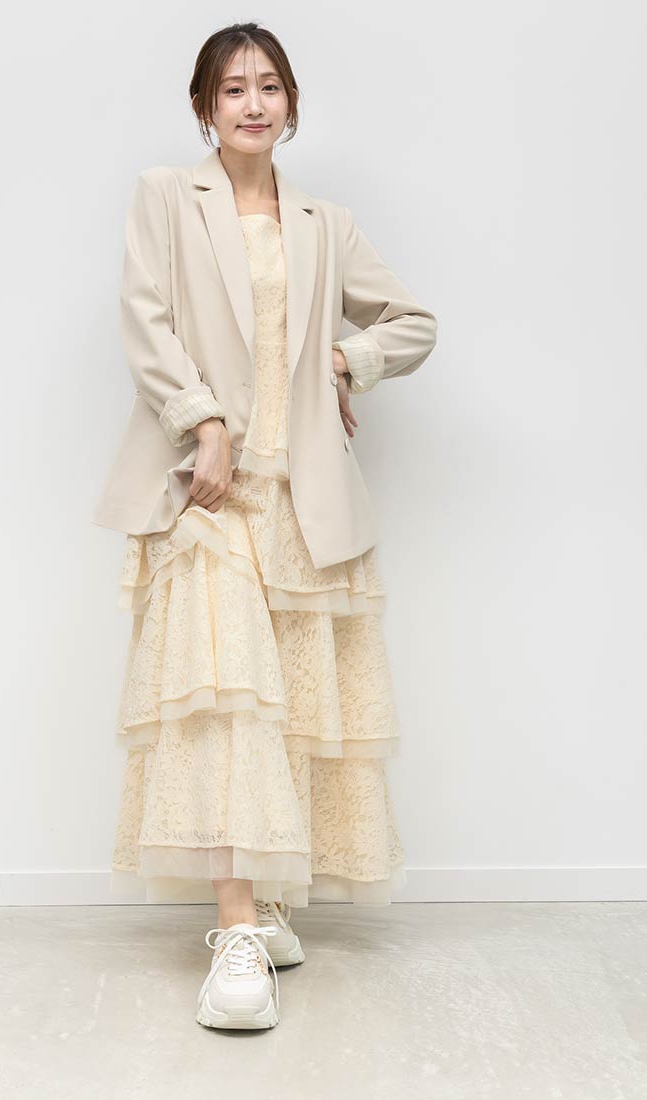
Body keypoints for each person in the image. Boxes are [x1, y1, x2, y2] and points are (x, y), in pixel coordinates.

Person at [91, 22, 438, 1030]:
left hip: (300, 497)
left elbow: (410, 324)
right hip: (208, 491)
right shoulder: (168, 196)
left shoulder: (325, 224)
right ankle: (236, 930)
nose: (253, 103)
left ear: (291, 103)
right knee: (228, 707)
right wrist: (201, 422)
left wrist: (343, 360)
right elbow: (146, 321)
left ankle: (273, 901)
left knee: (285, 707)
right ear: (204, 108)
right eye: (233, 88)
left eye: (270, 86)